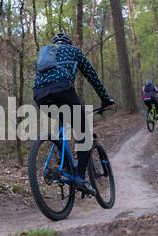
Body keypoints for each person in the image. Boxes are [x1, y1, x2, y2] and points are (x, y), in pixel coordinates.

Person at [33, 32, 115, 196]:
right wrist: (106, 99)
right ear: (68, 43)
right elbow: (93, 77)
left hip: (39, 94)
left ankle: (62, 160)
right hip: (63, 88)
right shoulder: (74, 51)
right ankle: (79, 178)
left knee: (61, 120)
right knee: (83, 133)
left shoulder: (47, 53)